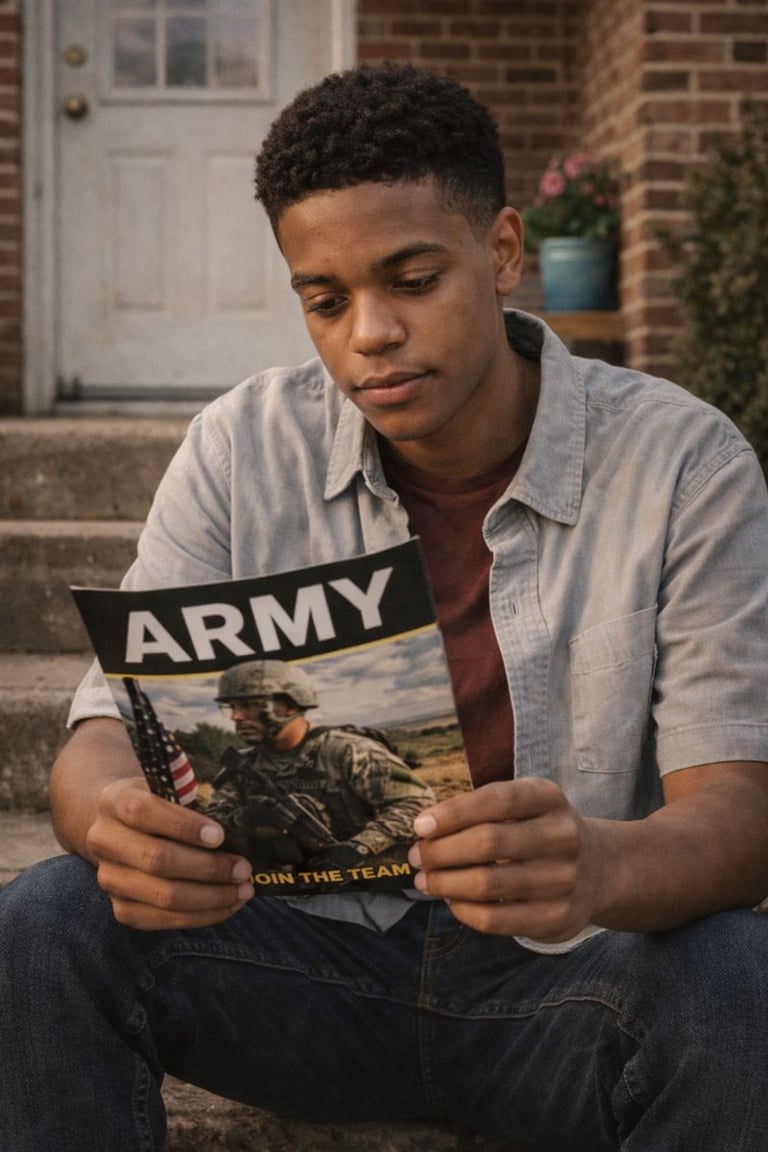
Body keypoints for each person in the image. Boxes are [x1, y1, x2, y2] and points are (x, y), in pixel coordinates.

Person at [2, 62, 768, 1152]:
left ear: (502, 253)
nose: (368, 334)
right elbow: (94, 745)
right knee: (45, 919)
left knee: (739, 973)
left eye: (412, 280)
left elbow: (740, 807)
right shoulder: (239, 448)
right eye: (325, 299)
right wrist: (122, 827)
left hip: (574, 984)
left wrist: (602, 863)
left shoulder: (684, 462)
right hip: (298, 969)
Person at [206, 658, 435, 874]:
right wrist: (248, 817)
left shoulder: (347, 752)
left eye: (247, 705)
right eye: (231, 706)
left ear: (289, 705)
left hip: (362, 879)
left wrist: (359, 847)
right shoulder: (242, 766)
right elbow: (213, 827)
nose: (235, 716)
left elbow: (416, 802)